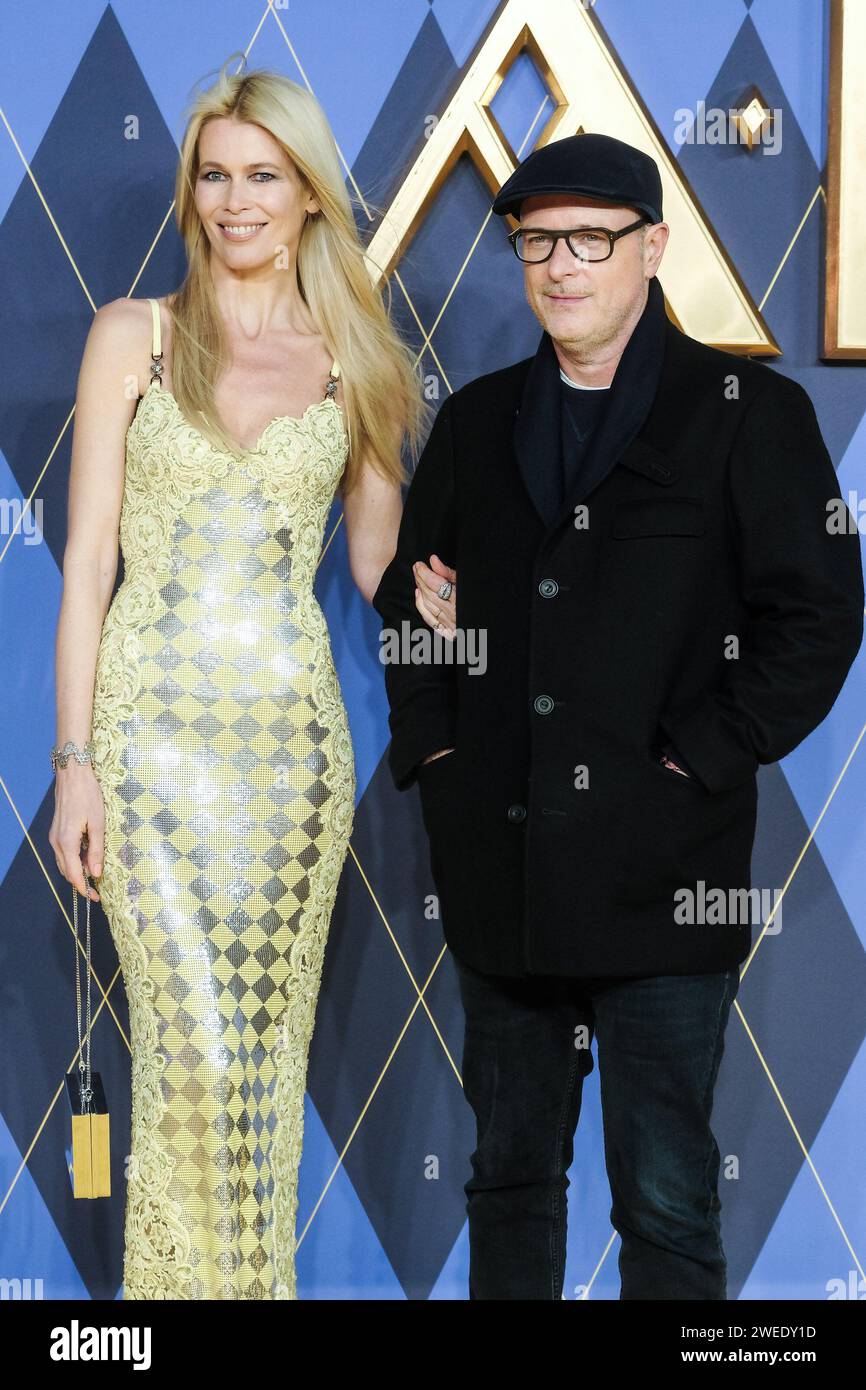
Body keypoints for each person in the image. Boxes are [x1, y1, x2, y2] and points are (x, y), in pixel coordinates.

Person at [373, 132, 864, 1300]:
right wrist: (438, 750)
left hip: (664, 878)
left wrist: (698, 756)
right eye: (538, 242)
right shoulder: (477, 421)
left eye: (590, 240)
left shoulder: (747, 412)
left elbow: (816, 617)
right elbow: (411, 606)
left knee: (663, 1200)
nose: (561, 266)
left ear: (651, 247)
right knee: (506, 1183)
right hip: (503, 879)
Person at [48, 62, 430, 1299]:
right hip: (149, 753)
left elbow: (376, 563)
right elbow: (88, 563)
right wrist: (74, 767)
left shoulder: (353, 360)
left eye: (262, 175)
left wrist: (493, 603)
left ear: (310, 194)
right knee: (185, 1055)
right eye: (213, 175)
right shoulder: (132, 336)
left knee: (258, 1066)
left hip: (287, 767)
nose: (234, 199)